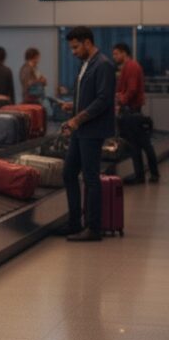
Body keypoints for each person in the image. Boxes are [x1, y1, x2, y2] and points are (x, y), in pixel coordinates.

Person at [59, 27, 116, 240]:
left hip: (92, 130)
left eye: (75, 47)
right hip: (81, 130)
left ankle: (94, 228)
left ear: (87, 43)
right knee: (69, 173)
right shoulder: (86, 65)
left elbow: (103, 100)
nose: (73, 52)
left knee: (91, 178)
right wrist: (71, 107)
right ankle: (75, 222)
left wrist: (77, 119)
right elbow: (87, 96)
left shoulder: (103, 65)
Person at [112, 42, 159, 185]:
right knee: (138, 145)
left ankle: (146, 175)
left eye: (116, 54)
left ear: (124, 53)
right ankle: (145, 175)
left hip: (132, 113)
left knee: (140, 145)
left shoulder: (131, 67)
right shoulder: (129, 67)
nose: (114, 57)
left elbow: (131, 90)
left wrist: (121, 102)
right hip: (132, 111)